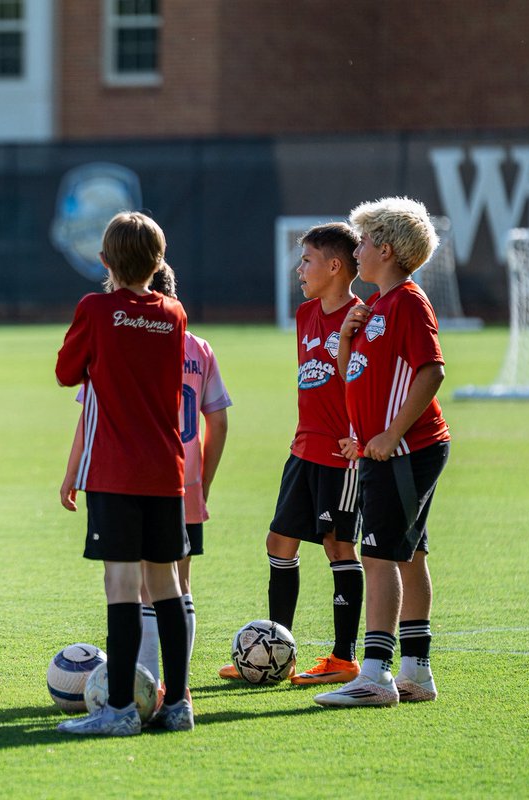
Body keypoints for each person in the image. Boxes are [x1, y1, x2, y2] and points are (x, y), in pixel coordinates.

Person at [61, 265, 229, 695]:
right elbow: (219, 419)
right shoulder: (188, 335)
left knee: (125, 584)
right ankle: (179, 693)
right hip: (179, 474)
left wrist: (73, 471)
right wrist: (203, 482)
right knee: (175, 583)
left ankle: (135, 690)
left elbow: (72, 382)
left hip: (121, 470)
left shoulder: (108, 322)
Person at [55, 211, 191, 735]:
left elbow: (67, 372)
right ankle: (178, 704)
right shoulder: (174, 313)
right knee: (165, 583)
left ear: (104, 260)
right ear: (158, 264)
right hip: (165, 470)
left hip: (114, 469)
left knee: (120, 582)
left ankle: (117, 711)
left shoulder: (95, 307)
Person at [315, 197, 449, 708]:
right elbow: (365, 379)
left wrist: (391, 434)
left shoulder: (409, 302)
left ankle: (375, 673)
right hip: (382, 451)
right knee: (408, 554)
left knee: (377, 554)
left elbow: (431, 370)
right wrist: (349, 344)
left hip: (404, 452)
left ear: (386, 250)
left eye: (365, 241)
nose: (358, 249)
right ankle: (416, 670)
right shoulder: (377, 308)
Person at [218, 223, 365, 686]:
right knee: (278, 543)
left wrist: (360, 434)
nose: (299, 268)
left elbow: (371, 384)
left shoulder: (362, 318)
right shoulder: (305, 315)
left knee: (338, 545)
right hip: (303, 448)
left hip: (342, 455)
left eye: (307, 260)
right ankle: (275, 651)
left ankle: (344, 658)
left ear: (335, 266)